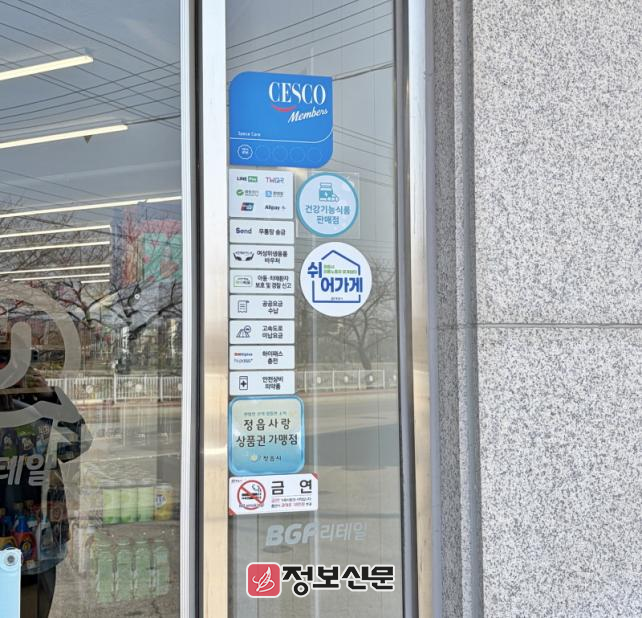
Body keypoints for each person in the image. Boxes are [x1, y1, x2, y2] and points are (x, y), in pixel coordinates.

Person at [0, 345, 92, 618]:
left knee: (35, 608)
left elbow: (77, 444)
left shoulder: (38, 411)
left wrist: (49, 395)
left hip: (40, 539)